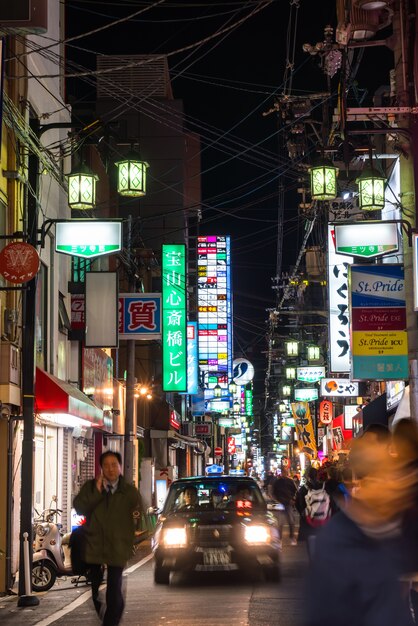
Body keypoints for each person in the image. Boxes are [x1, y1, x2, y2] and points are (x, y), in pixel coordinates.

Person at [303, 435, 415, 626]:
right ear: (362, 483)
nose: (397, 485)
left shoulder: (392, 529)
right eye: (387, 475)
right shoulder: (337, 543)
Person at [73, 450, 141, 626]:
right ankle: (109, 619)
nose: (110, 469)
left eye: (114, 465)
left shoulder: (129, 492)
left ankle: (110, 622)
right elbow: (79, 507)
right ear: (101, 468)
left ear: (120, 467)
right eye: (106, 465)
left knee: (114, 592)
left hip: (118, 548)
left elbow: (138, 516)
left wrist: (130, 538)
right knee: (95, 591)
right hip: (94, 546)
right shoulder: (91, 487)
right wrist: (96, 492)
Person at [272, 468, 297, 545]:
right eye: (283, 472)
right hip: (281, 503)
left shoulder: (289, 481)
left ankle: (291, 537)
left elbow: (295, 491)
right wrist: (277, 500)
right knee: (280, 522)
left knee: (290, 521)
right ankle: (280, 539)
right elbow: (274, 492)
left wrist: (293, 499)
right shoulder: (277, 482)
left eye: (285, 472)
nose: (284, 474)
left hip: (288, 503)